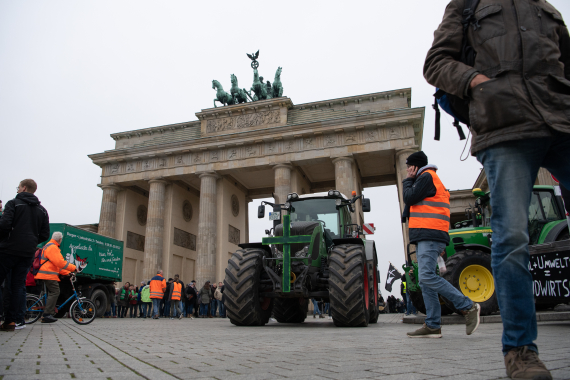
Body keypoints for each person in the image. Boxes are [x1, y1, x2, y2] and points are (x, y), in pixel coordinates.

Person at [425, 2, 570, 378]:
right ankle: (521, 352)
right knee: (511, 238)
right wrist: (476, 82)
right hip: (505, 125)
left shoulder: (545, 8)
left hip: (560, 117)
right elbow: (436, 62)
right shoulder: (468, 4)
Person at [402, 151, 479, 338]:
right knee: (424, 280)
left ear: (415, 166)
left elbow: (408, 197)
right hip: (426, 235)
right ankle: (433, 325)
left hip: (430, 234)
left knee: (427, 277)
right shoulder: (426, 178)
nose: (407, 170)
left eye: (408, 167)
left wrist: (407, 180)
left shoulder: (426, 177)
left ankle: (468, 306)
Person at [0, 179, 50, 331]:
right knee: (17, 286)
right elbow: (45, 235)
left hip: (8, 250)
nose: (17, 189)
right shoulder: (42, 210)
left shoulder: (13, 203)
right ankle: (11, 322)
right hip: (28, 253)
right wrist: (31, 242)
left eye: (18, 187)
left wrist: (6, 239)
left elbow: (4, 225)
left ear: (23, 188)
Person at [33, 232, 79, 323]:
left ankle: (46, 312)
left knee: (51, 293)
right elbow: (60, 263)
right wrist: (74, 268)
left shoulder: (48, 246)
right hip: (48, 274)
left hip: (46, 273)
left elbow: (57, 266)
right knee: (55, 291)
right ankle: (47, 314)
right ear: (60, 239)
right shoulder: (53, 247)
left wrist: (68, 273)